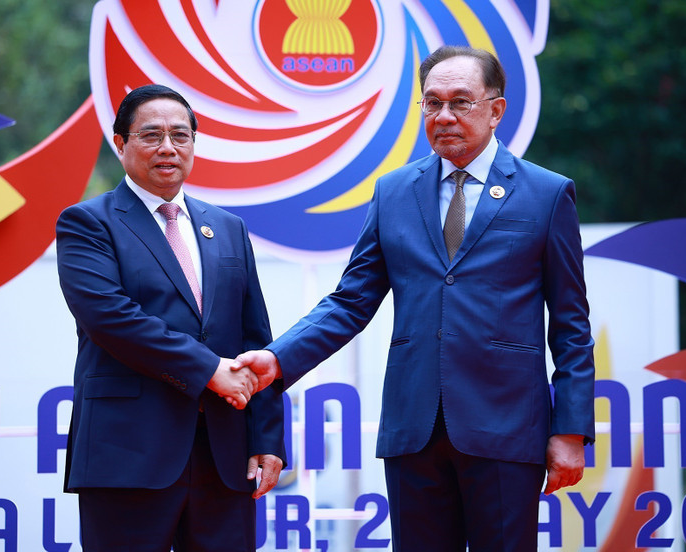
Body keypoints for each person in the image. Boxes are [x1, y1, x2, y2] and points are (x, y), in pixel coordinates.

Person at [235, 46, 595, 551]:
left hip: (507, 427)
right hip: (414, 429)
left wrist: (571, 430)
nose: (443, 116)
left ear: (496, 110)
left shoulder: (546, 193)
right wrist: (277, 358)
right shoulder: (394, 192)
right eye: (432, 103)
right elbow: (350, 302)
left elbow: (571, 325)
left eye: (460, 102)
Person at [56, 84, 285, 552]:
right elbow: (112, 319)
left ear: (194, 146)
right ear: (120, 144)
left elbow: (254, 337)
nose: (168, 147)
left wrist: (267, 438)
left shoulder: (227, 228)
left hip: (223, 458)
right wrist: (209, 370)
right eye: (151, 135)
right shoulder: (87, 223)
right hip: (128, 457)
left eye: (180, 136)